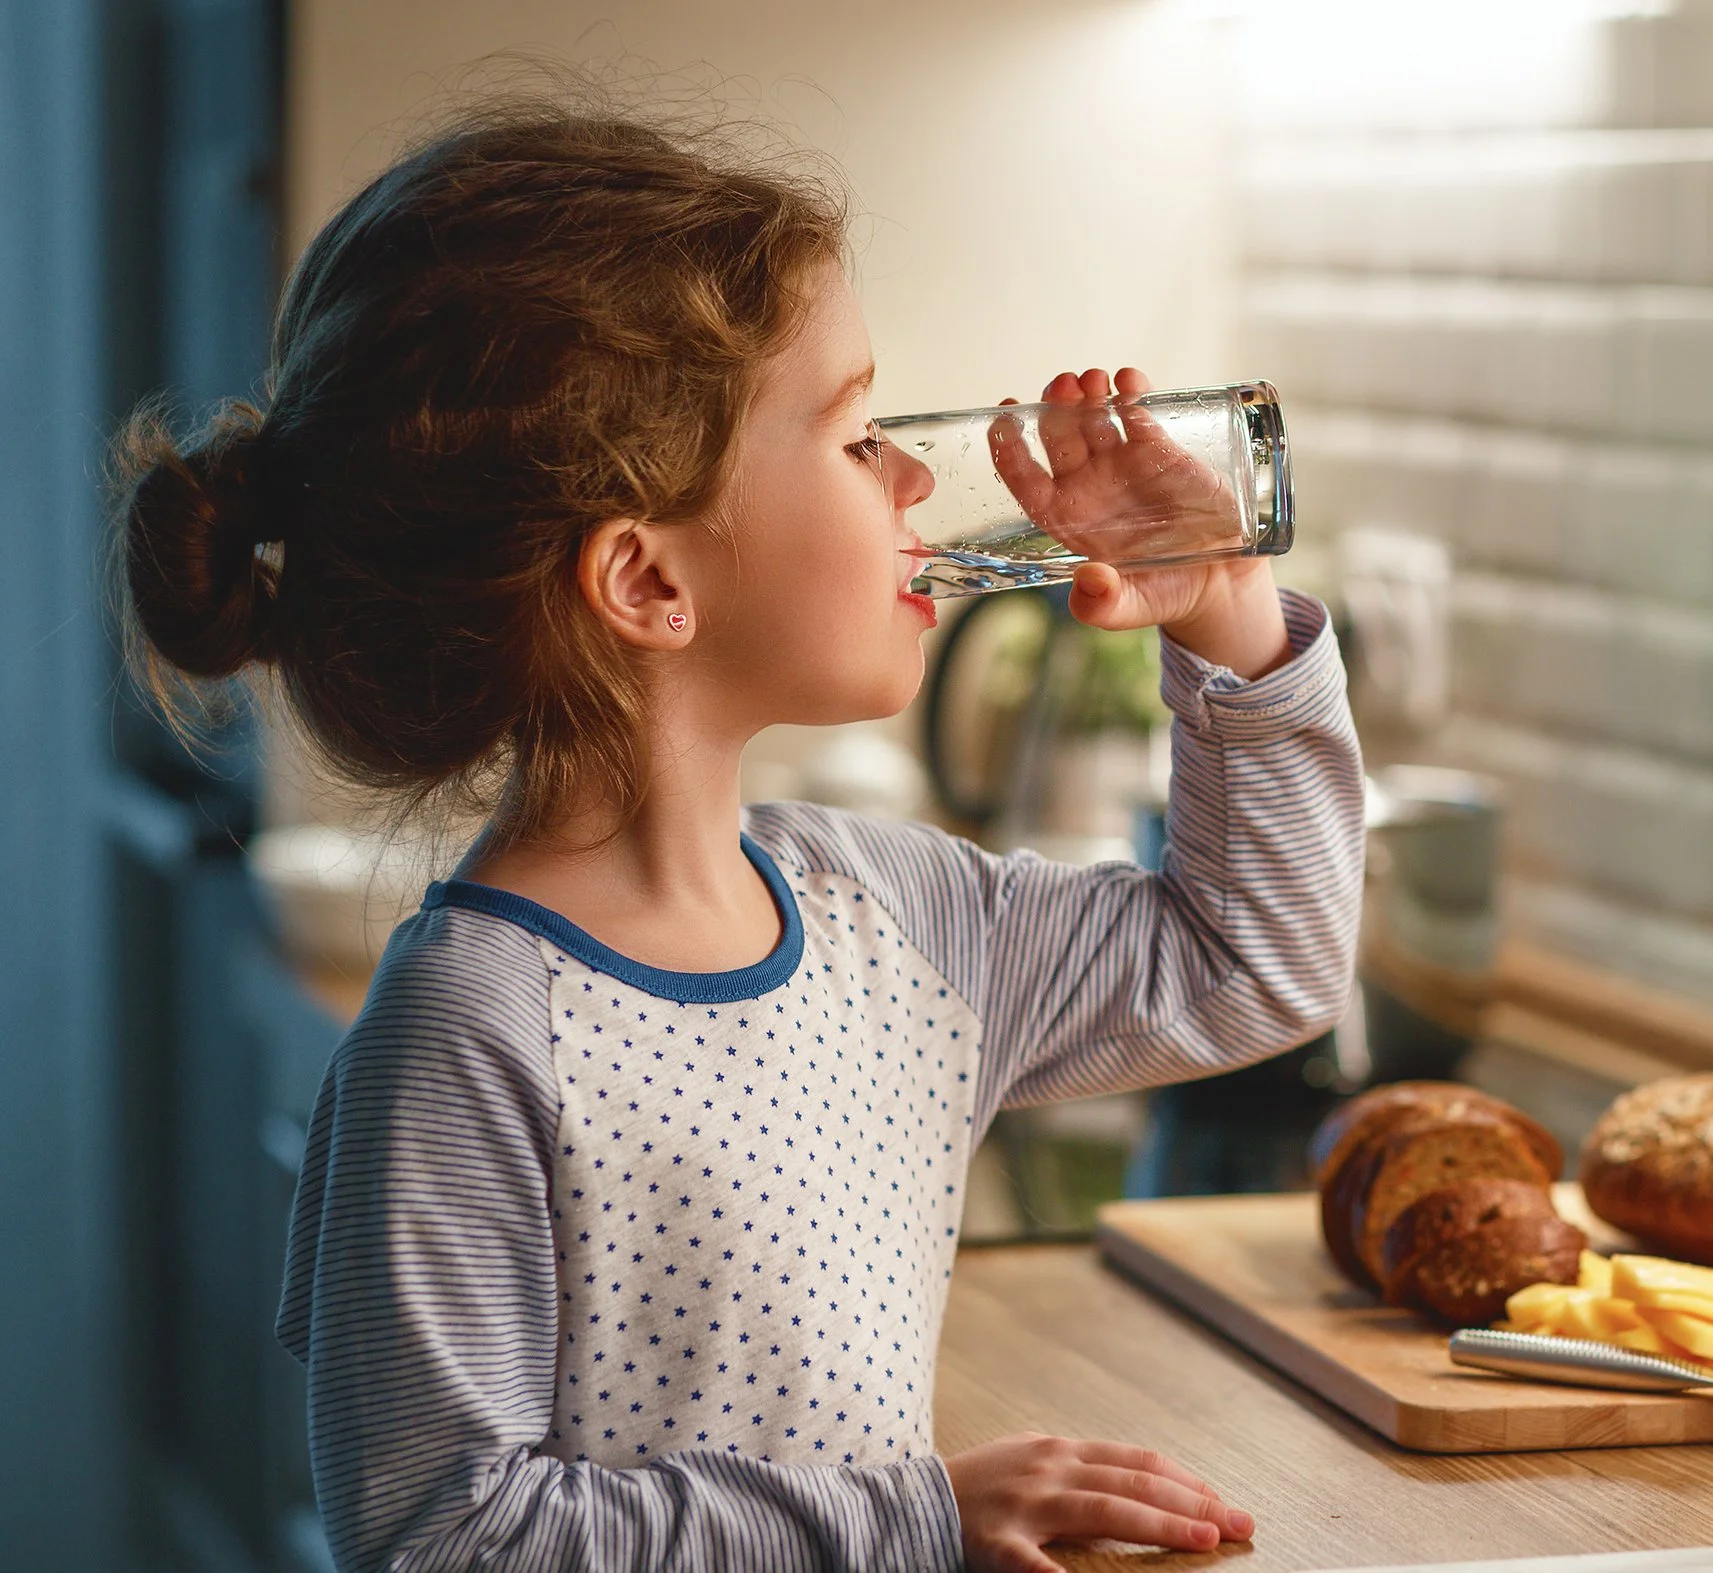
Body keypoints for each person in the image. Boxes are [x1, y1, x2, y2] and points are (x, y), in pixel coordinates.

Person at [112, 98, 1363, 1573]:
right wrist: (917, 1522)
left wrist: (1223, 613)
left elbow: (1249, 962)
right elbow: (446, 1539)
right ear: (645, 583)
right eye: (849, 436)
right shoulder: (465, 1040)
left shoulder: (888, 913)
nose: (910, 475)